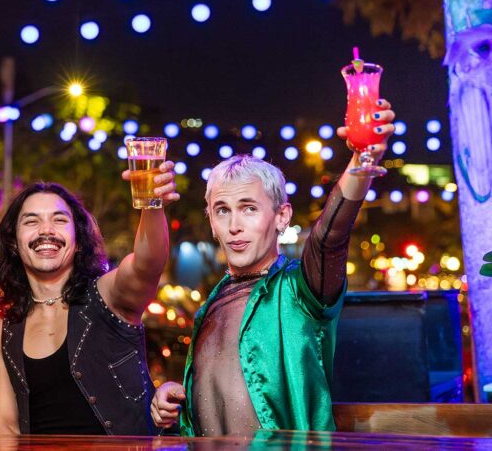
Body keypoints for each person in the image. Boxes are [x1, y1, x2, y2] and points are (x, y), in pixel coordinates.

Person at [151, 100, 395, 436]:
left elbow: (329, 238)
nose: (234, 224)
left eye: (249, 208)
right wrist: (174, 398)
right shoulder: (213, 302)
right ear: (211, 222)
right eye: (222, 210)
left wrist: (361, 162)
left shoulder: (302, 289)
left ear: (282, 217)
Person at [0, 164, 178, 436]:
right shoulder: (1, 328)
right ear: (14, 242)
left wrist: (152, 206)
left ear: (78, 239)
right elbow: (3, 427)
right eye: (31, 221)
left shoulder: (108, 295)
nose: (46, 230)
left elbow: (147, 264)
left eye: (59, 220)